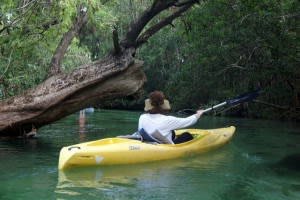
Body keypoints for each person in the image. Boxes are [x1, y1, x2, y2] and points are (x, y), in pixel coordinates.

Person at [138, 91, 204, 144]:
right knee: (187, 135)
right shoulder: (167, 120)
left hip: (147, 142)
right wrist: (198, 114)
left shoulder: (142, 117)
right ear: (162, 107)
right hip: (163, 146)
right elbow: (188, 121)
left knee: (172, 133)